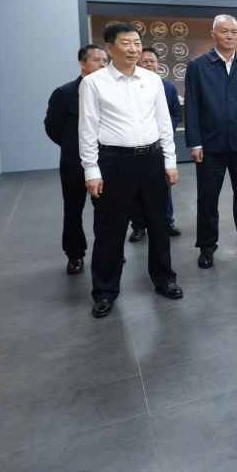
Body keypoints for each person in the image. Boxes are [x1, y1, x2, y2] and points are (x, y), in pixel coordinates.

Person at [79, 22, 182, 318]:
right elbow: (87, 130)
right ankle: (105, 291)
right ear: (109, 48)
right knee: (110, 229)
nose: (134, 49)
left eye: (137, 42)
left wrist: (170, 162)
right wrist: (91, 171)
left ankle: (164, 279)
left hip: (151, 159)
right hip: (114, 162)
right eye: (126, 43)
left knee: (158, 225)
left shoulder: (152, 80)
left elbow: (164, 124)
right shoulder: (94, 83)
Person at [184, 14, 237, 269]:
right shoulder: (198, 65)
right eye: (224, 31)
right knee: (207, 199)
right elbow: (192, 106)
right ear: (213, 34)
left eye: (234, 32)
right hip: (210, 146)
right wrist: (195, 143)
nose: (230, 36)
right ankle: (207, 246)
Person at [44, 44, 108, 275]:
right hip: (74, 162)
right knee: (73, 208)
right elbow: (52, 127)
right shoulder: (65, 93)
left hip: (106, 159)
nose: (103, 64)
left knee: (106, 209)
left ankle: (106, 252)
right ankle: (75, 253)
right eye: (97, 60)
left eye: (105, 60)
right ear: (82, 63)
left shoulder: (109, 91)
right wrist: (72, 146)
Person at [129, 47, 182, 242]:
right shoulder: (129, 87)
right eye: (144, 61)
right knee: (135, 188)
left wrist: (163, 132)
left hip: (160, 145)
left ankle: (167, 221)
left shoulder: (167, 87)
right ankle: (138, 225)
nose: (149, 64)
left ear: (158, 65)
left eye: (152, 61)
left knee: (163, 185)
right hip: (135, 146)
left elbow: (175, 113)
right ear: (136, 63)